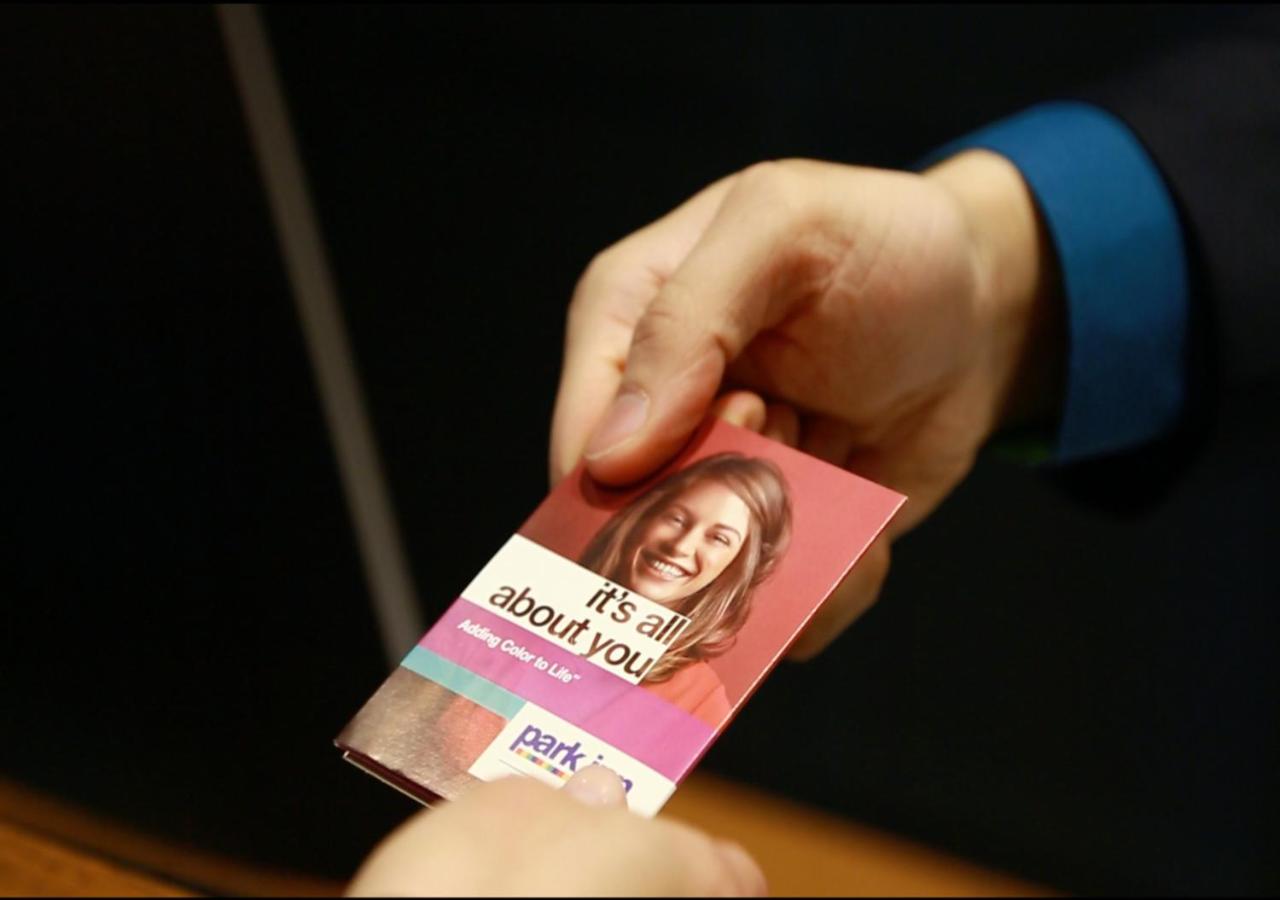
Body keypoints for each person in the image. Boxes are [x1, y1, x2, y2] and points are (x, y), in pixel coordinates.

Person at [579, 453, 792, 726]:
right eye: (677, 519)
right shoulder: (534, 598)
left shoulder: (700, 702)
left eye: (718, 538)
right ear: (645, 514)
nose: (680, 547)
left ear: (739, 564)